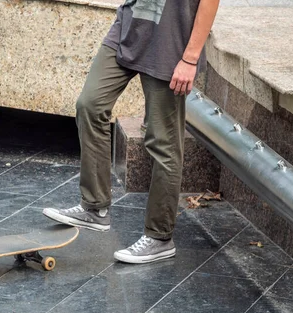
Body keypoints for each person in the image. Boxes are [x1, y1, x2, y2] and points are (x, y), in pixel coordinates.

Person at [43, 0, 220, 264]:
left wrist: (190, 58)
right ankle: (94, 207)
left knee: (163, 141)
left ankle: (159, 237)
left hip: (170, 41)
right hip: (130, 25)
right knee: (90, 105)